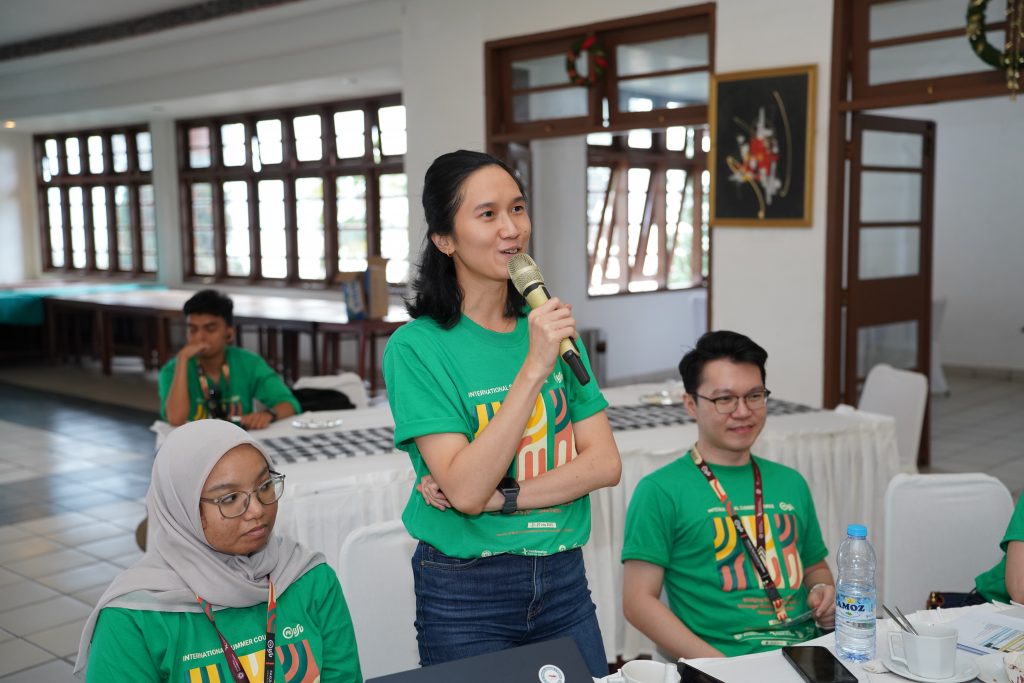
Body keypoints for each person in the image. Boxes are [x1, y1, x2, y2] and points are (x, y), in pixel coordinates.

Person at [382, 150, 621, 676]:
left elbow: (604, 464)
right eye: (487, 214)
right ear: (445, 239)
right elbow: (466, 490)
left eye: (517, 208)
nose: (512, 228)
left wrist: (501, 498)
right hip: (468, 591)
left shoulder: (549, 326)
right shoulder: (417, 348)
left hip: (562, 578)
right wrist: (533, 368)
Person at [74, 419, 362, 682]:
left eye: (265, 485)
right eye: (230, 498)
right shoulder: (134, 616)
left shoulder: (309, 579)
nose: (257, 510)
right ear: (183, 509)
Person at [621, 330, 835, 659]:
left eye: (754, 396)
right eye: (725, 399)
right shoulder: (661, 491)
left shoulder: (790, 482)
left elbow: (813, 566)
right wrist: (721, 669)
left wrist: (821, 589)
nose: (743, 411)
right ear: (691, 404)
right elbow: (638, 602)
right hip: (720, 662)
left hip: (807, 655)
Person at [159, 289, 300, 428]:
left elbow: (289, 404)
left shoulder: (249, 363)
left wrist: (268, 414)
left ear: (229, 333)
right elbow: (175, 419)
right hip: (194, 441)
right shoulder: (173, 369)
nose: (199, 337)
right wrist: (182, 358)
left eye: (210, 329)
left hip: (238, 440)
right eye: (193, 329)